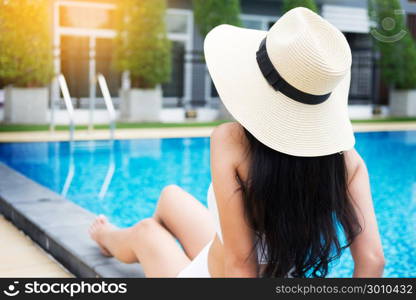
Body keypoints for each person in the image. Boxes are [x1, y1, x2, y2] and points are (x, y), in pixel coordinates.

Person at [89, 7, 384, 278]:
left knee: (145, 232)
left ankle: (105, 237)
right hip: (230, 262)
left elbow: (241, 265)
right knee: (171, 196)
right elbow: (372, 260)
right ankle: (114, 240)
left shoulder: (230, 141)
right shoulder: (348, 161)